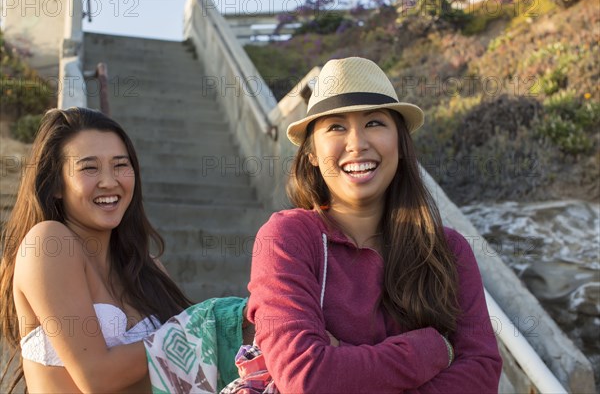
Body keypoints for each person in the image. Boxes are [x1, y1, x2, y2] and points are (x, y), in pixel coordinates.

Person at [245, 57, 503, 392]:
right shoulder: (286, 239)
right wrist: (435, 348)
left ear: (400, 142)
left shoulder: (448, 250)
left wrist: (345, 361)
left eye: (375, 123)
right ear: (311, 152)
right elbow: (306, 376)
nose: (357, 143)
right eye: (336, 127)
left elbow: (481, 376)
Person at [0, 107, 192, 393]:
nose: (109, 181)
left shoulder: (147, 268)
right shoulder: (48, 243)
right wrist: (199, 327)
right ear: (56, 185)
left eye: (120, 165)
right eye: (89, 167)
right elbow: (95, 377)